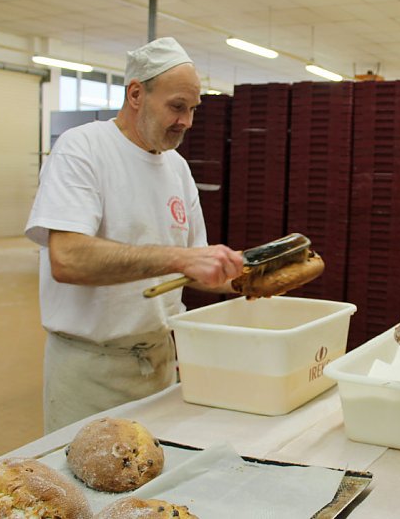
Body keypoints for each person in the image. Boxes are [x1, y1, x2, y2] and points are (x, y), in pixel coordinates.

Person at [25, 37, 244, 433]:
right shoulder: (84, 148)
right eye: (177, 107)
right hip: (90, 369)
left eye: (192, 109)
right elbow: (67, 258)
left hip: (160, 361)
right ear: (137, 93)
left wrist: (249, 277)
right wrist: (178, 258)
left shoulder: (177, 168)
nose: (187, 122)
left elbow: (195, 270)